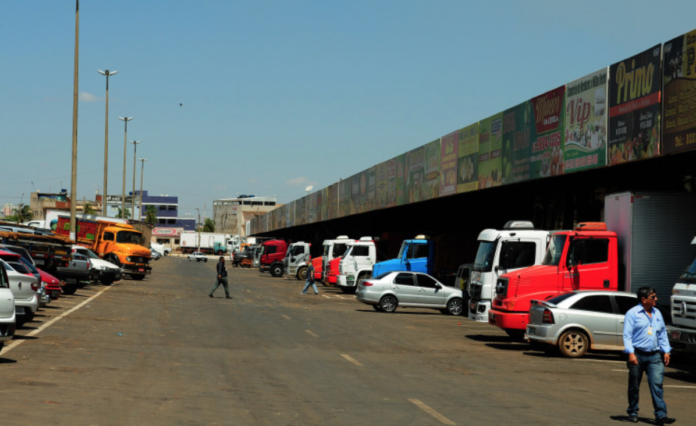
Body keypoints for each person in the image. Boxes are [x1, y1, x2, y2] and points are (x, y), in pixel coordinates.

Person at [623, 287, 674, 425]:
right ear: (644, 299)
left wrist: (666, 350)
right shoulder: (632, 313)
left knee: (657, 384)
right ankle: (633, 411)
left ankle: (661, 415)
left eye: (655, 296)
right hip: (637, 355)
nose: (656, 299)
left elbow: (662, 333)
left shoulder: (657, 313)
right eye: (653, 297)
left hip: (655, 356)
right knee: (634, 385)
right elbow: (627, 336)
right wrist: (631, 354)